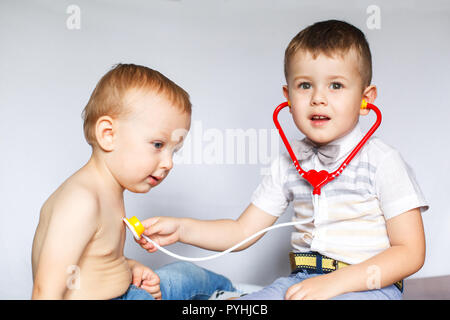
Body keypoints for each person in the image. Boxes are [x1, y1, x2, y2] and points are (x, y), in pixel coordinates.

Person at [137, 20, 429, 300]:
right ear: (288, 97)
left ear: (367, 99)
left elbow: (410, 252)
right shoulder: (288, 164)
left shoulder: (383, 161)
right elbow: (242, 232)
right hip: (302, 282)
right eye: (305, 85)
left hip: (370, 286)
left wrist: (334, 283)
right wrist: (182, 229)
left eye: (336, 85)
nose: (318, 98)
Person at [31, 63, 234, 299]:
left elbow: (94, 257)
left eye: (174, 151)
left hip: (127, 293)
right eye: (158, 145)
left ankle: (233, 294)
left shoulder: (107, 188)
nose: (169, 163)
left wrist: (128, 267)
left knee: (185, 274)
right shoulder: (81, 201)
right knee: (185, 280)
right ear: (108, 135)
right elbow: (45, 289)